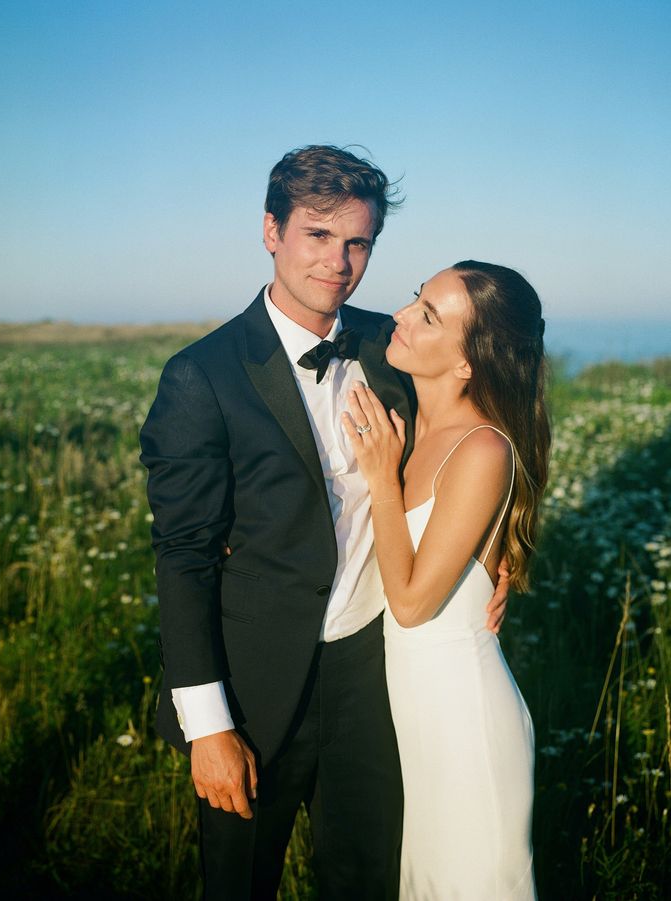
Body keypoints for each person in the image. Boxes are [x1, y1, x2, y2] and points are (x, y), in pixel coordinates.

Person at [139, 147, 509, 900]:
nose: (338, 262)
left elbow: (493, 421)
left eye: (357, 243)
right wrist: (207, 724)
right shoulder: (199, 376)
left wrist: (504, 549)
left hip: (372, 675)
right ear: (271, 231)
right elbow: (182, 558)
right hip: (253, 684)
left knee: (368, 877)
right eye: (317, 235)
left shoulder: (392, 343)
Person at [344, 261, 549, 899]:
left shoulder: (481, 448)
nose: (401, 315)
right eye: (415, 299)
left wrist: (381, 477)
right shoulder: (410, 414)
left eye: (428, 315)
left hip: (466, 728)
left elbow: (408, 604)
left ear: (469, 364)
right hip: (419, 728)